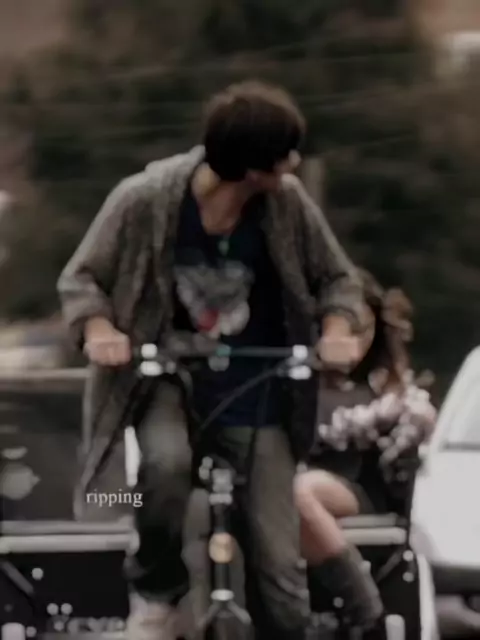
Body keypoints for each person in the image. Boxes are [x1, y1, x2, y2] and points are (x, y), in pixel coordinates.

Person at [57, 80, 366, 640]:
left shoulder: (287, 203)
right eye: (285, 154)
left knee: (280, 566)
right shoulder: (145, 199)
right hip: (167, 380)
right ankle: (158, 592)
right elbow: (81, 278)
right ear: (251, 168)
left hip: (258, 389)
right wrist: (100, 331)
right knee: (164, 467)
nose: (294, 163)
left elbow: (338, 278)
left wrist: (337, 329)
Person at [294, 270, 436, 631]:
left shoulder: (388, 390)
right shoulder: (293, 379)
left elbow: (409, 447)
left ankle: (362, 602)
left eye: (364, 329)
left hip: (357, 490)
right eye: (345, 329)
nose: (353, 342)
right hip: (279, 489)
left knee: (301, 490)